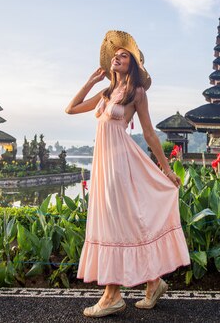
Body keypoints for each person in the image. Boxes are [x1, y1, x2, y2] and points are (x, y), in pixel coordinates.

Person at [65, 30, 191, 318]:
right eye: (116, 55)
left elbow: (148, 133)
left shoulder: (136, 93)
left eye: (124, 56)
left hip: (121, 164)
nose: (117, 58)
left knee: (116, 223)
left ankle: (112, 295)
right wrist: (90, 82)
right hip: (102, 165)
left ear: (132, 65)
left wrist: (167, 169)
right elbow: (70, 108)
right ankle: (153, 281)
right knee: (123, 222)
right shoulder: (106, 93)